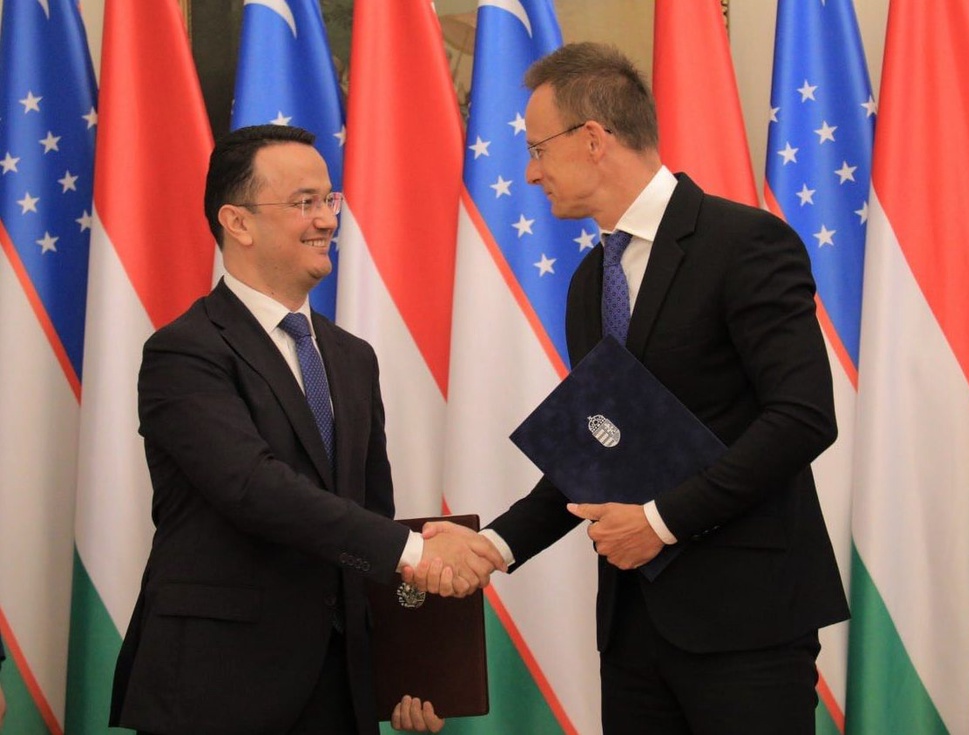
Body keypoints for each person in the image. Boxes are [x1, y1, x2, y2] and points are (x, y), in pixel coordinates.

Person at [412, 42, 849, 734]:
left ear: (593, 138)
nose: (530, 172)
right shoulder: (589, 283)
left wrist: (661, 521)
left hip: (747, 623)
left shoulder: (744, 244)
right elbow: (599, 450)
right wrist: (493, 545)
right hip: (633, 633)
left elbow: (803, 417)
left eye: (538, 149)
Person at [108, 124, 502, 735]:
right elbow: (253, 488)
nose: (326, 220)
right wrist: (418, 552)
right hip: (218, 688)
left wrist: (404, 669)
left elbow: (370, 513)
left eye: (329, 199)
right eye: (304, 203)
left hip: (339, 689)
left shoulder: (352, 357)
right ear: (237, 222)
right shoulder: (184, 352)